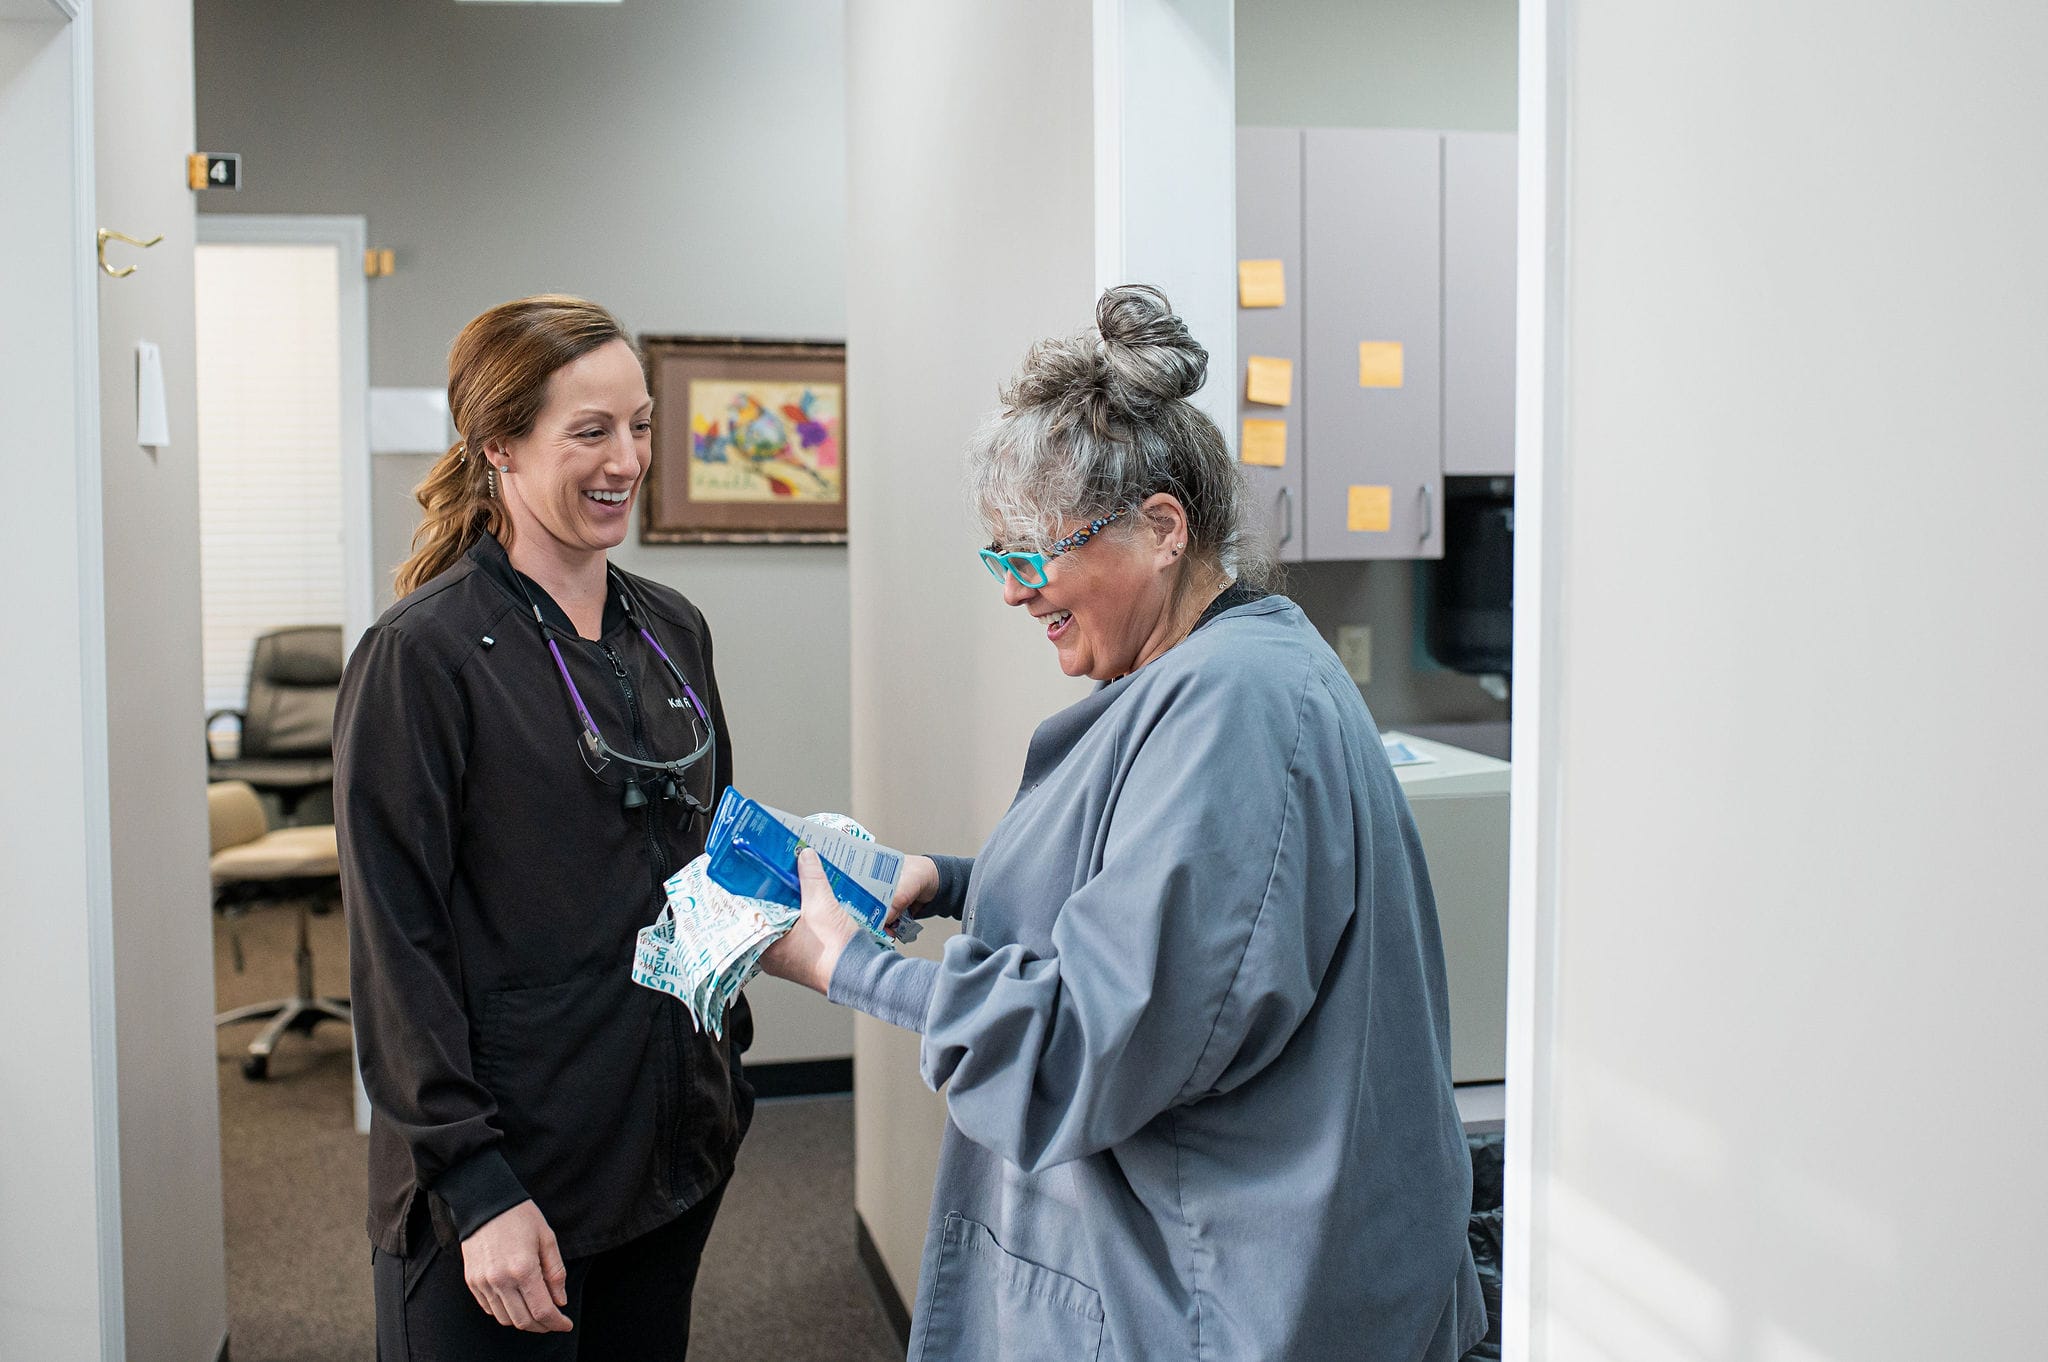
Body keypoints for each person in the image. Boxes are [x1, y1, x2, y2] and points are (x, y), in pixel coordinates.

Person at [764, 285, 1486, 1361]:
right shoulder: (1222, 674)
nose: (1013, 593)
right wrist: (948, 880)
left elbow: (1085, 1039)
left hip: (1222, 1293)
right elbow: (1163, 905)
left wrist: (845, 967)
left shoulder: (1238, 706)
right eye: (996, 559)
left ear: (1160, 528)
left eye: (1031, 556)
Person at [336, 295, 748, 1359]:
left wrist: (724, 1077)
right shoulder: (422, 658)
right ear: (498, 449)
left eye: (641, 424)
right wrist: (476, 1186)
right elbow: (395, 949)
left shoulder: (670, 632)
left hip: (664, 1155)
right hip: (505, 1186)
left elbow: (705, 863)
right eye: (590, 431)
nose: (626, 458)